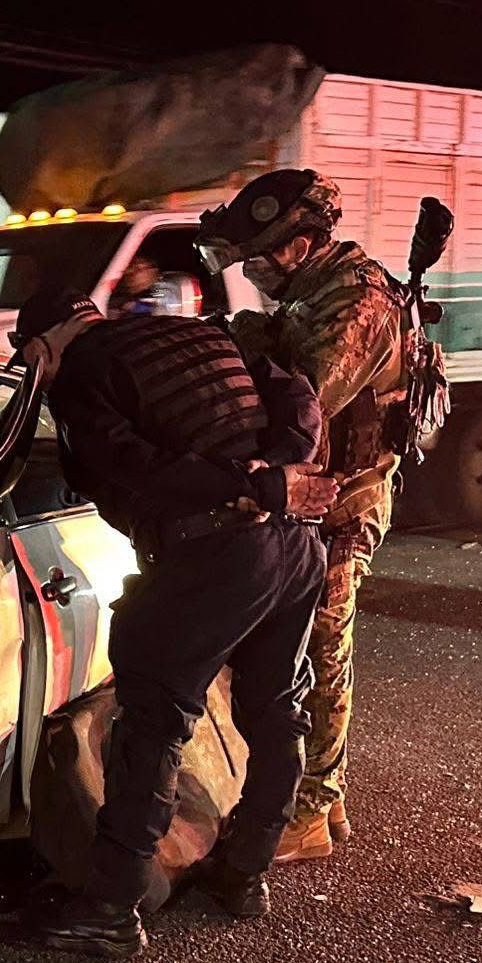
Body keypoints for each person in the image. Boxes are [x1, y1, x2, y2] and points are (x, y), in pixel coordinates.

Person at [13, 285, 336, 958]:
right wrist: (273, 472)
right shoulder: (199, 334)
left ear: (48, 344)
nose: (36, 379)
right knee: (277, 709)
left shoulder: (83, 375)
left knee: (153, 718)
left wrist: (241, 485)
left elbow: (128, 466)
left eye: (31, 362)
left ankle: (111, 905)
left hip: (219, 551)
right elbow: (298, 393)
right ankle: (243, 874)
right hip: (297, 545)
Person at [196, 170, 405, 861]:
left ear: (305, 243)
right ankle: (327, 791)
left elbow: (306, 401)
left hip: (344, 502)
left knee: (320, 649)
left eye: (262, 258)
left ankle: (310, 812)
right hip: (319, 498)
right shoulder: (316, 292)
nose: (254, 271)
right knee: (307, 653)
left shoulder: (358, 302)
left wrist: (245, 351)